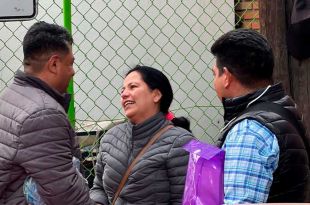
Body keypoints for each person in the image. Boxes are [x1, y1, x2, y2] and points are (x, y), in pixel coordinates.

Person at [211, 28, 310, 203]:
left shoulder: (248, 131)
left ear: (226, 76)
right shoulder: (282, 108)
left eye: (214, 74)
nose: (214, 82)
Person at [0, 21, 94, 204]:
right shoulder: (43, 114)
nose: (72, 72)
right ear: (54, 64)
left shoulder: (11, 96)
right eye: (70, 63)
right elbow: (66, 195)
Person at [90, 65, 195, 204]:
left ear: (156, 95)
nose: (124, 94)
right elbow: (99, 188)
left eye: (132, 87)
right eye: (123, 90)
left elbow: (184, 200)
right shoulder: (110, 138)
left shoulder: (180, 142)